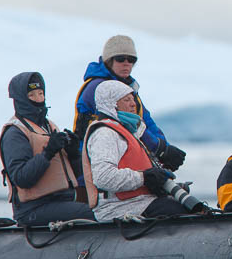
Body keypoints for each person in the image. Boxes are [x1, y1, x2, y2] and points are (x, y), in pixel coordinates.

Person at [72, 34, 186, 171]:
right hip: (95, 163)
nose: (126, 63)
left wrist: (164, 147)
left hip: (122, 160)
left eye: (131, 60)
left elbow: (146, 121)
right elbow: (125, 122)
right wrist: (158, 149)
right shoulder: (99, 88)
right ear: (109, 61)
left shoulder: (127, 89)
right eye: (120, 59)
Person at [82, 80, 191, 219]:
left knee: (185, 206)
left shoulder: (128, 130)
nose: (133, 103)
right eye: (127, 100)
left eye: (133, 99)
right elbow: (104, 177)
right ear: (111, 104)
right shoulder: (105, 133)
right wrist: (144, 178)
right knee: (178, 212)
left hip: (140, 201)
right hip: (118, 207)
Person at [0, 72, 96, 226]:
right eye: (31, 95)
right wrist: (48, 153)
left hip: (62, 200)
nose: (38, 99)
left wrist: (73, 154)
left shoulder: (50, 127)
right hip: (33, 208)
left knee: (98, 207)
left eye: (41, 93)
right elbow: (21, 178)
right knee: (90, 213)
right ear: (20, 99)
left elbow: (75, 175)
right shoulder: (15, 133)